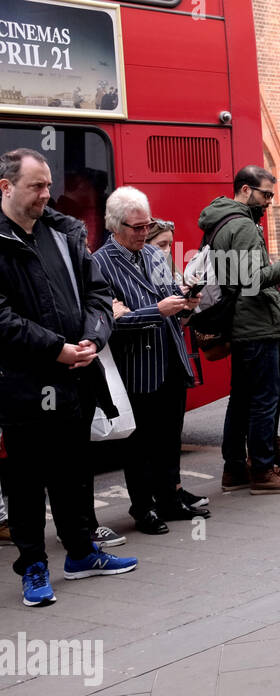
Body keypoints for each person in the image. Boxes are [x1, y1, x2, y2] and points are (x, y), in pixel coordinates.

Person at [0, 148, 139, 607]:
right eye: (36, 186)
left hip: (76, 375)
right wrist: (56, 350)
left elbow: (98, 294)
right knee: (24, 480)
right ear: (6, 187)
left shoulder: (63, 233)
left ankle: (80, 552)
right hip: (22, 385)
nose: (46, 194)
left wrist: (92, 341)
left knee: (73, 471)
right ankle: (33, 566)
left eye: (47, 184)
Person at [93, 187, 207, 536]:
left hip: (171, 356)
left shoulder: (155, 256)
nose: (145, 232)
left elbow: (170, 298)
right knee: (139, 445)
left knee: (170, 437)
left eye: (148, 225)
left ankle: (169, 499)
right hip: (137, 366)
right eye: (137, 227)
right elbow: (109, 322)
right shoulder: (99, 263)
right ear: (115, 226)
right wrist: (157, 311)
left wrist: (186, 303)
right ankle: (143, 507)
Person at [202, 165, 280, 495]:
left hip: (240, 323)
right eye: (266, 194)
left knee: (241, 398)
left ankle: (235, 469)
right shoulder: (244, 226)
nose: (269, 202)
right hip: (255, 324)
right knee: (264, 397)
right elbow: (252, 280)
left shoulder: (221, 220)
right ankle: (263, 471)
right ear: (246, 190)